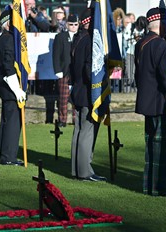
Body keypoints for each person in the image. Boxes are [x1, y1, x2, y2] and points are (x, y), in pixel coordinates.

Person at [134, 7, 166, 197]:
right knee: (162, 146)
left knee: (151, 146)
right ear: (161, 23)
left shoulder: (142, 43)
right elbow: (165, 77)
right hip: (160, 102)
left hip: (147, 101)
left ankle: (149, 186)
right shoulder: (160, 45)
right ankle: (159, 186)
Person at [70, 8, 106, 181]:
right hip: (86, 91)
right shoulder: (89, 40)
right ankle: (84, 171)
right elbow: (89, 69)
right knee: (86, 131)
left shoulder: (78, 39)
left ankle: (76, 169)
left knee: (79, 131)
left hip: (77, 90)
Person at [0, 8, 26, 166]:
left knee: (7, 121)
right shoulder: (7, 39)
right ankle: (8, 157)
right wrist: (17, 89)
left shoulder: (4, 38)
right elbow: (8, 65)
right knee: (12, 123)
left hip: (6, 86)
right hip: (10, 87)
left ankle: (5, 155)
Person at [53, 14, 79, 127]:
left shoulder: (81, 36)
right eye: (71, 24)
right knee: (63, 99)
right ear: (67, 24)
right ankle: (62, 120)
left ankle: (76, 119)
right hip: (64, 72)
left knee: (76, 98)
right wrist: (57, 70)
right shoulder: (60, 37)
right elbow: (56, 55)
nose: (73, 26)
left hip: (77, 73)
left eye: (75, 24)